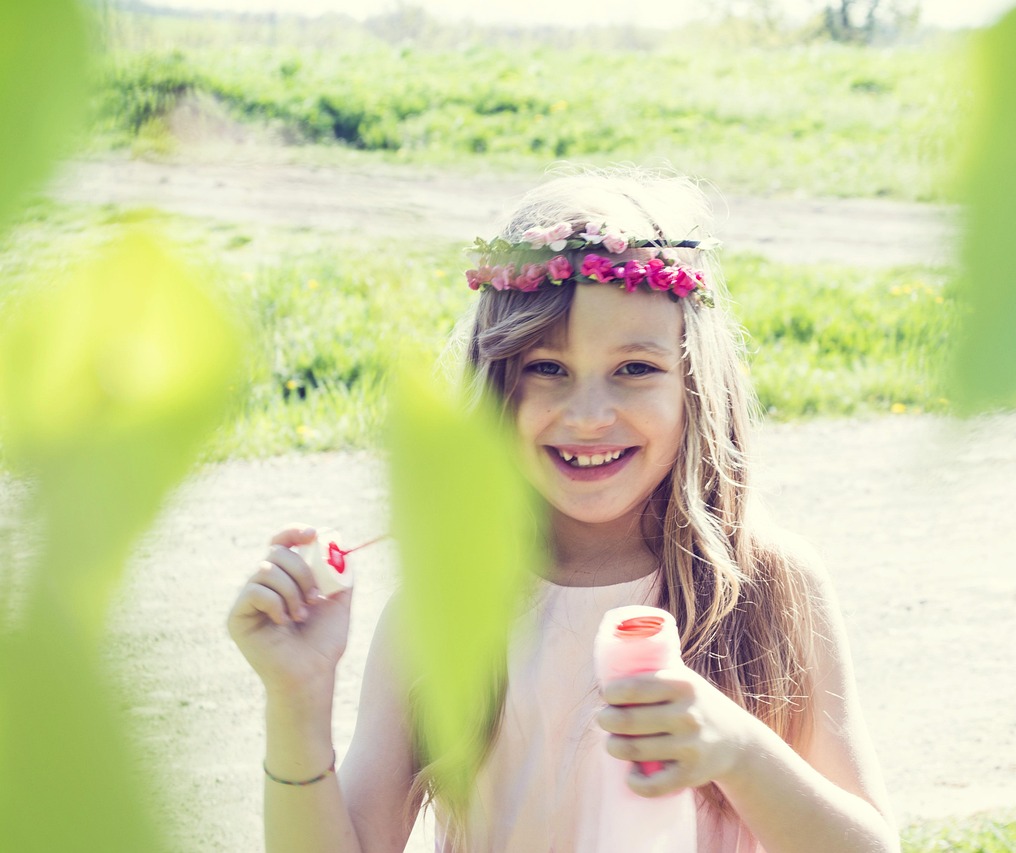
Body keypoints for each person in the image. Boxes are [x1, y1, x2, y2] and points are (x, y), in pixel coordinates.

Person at [228, 169, 899, 853]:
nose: (588, 416)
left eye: (634, 368)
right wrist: (297, 700)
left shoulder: (769, 588)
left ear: (694, 382)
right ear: (497, 386)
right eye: (546, 368)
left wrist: (738, 750)